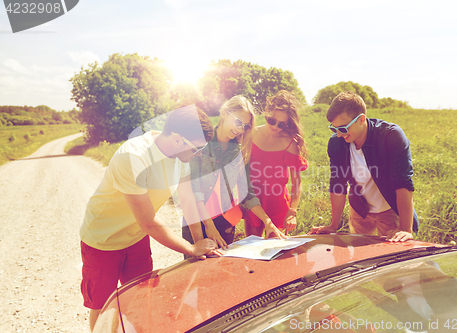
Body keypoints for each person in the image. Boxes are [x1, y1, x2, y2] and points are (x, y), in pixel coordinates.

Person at [79, 105, 221, 331]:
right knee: (103, 307)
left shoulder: (181, 157)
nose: (200, 154)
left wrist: (199, 244)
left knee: (142, 298)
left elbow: (187, 201)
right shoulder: (133, 157)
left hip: (136, 238)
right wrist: (191, 249)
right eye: (198, 149)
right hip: (103, 240)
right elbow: (148, 221)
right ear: (177, 140)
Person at [309, 91, 418, 242]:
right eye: (334, 129)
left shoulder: (391, 136)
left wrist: (406, 229)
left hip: (390, 210)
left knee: (392, 258)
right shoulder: (336, 143)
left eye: (343, 128)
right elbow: (337, 184)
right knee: (359, 253)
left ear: (361, 120)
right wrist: (333, 225)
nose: (339, 134)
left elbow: (403, 183)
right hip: (359, 209)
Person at [183, 96, 286, 252]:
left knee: (223, 272)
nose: (240, 130)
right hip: (197, 221)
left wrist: (267, 222)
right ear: (224, 113)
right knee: (197, 273)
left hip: (225, 223)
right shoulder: (201, 143)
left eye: (245, 126)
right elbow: (194, 190)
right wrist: (209, 226)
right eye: (238, 122)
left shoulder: (239, 152)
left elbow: (247, 193)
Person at [244, 90, 309, 238]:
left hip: (277, 204)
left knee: (275, 253)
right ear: (266, 112)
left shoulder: (289, 143)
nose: (275, 127)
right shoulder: (251, 134)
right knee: (252, 249)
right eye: (271, 121)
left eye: (281, 124)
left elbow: (296, 182)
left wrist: (292, 212)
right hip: (253, 201)